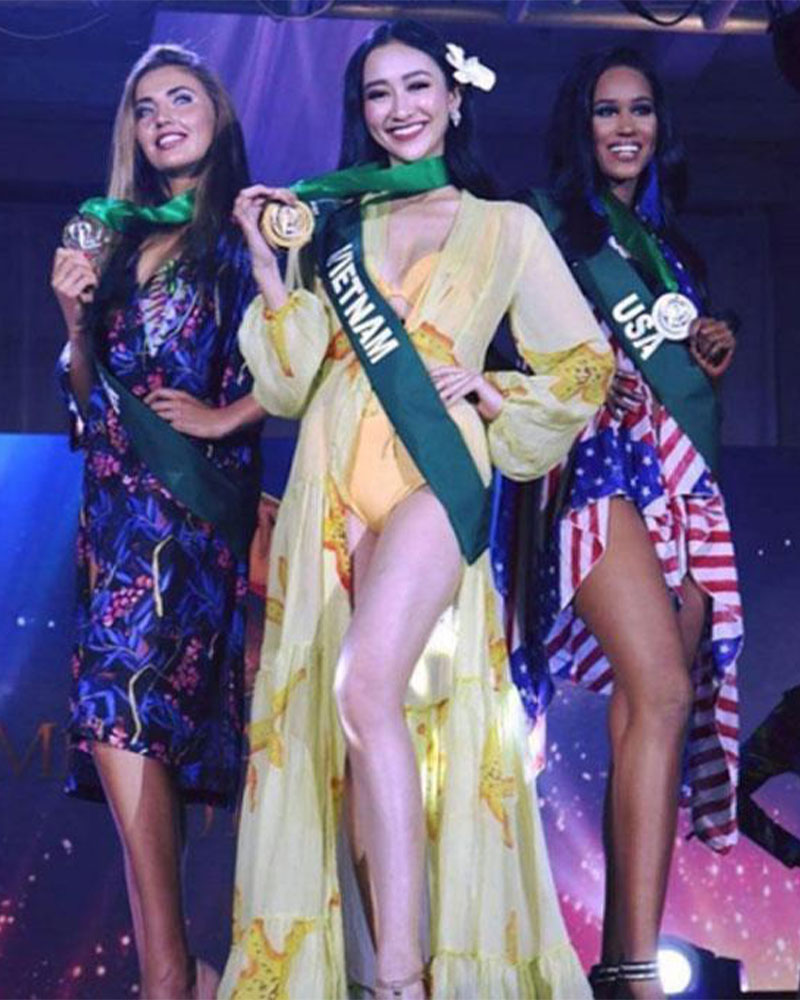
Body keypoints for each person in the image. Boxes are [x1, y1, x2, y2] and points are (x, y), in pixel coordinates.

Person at [220, 19, 613, 1000]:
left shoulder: (504, 225)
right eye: (378, 92)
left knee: (362, 687)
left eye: (416, 86)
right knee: (354, 726)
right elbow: (287, 381)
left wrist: (491, 392)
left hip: (436, 467)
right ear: (362, 111)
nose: (398, 107)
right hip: (331, 470)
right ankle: (372, 968)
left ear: (452, 98)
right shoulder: (333, 227)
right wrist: (267, 266)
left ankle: (404, 979)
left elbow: (582, 362)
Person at [505, 48, 743, 999]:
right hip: (595, 465)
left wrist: (708, 349)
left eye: (640, 110)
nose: (625, 127)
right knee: (660, 689)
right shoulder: (547, 226)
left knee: (657, 711)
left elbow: (677, 368)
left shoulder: (673, 250)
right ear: (581, 125)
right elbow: (512, 337)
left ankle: (626, 962)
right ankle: (631, 969)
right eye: (607, 111)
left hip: (676, 482)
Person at [50, 44, 264, 1000]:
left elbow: (301, 357)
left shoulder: (246, 229)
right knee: (131, 730)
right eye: (145, 107)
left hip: (191, 514)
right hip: (112, 513)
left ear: (218, 114)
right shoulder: (115, 237)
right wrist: (73, 322)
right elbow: (85, 404)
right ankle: (177, 976)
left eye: (182, 99)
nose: (163, 118)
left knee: (122, 713)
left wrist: (226, 416)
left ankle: (171, 978)